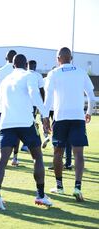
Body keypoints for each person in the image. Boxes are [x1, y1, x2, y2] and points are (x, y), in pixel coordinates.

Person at [0, 54, 52, 210]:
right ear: (26, 64)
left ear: (12, 65)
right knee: (37, 157)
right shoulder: (29, 75)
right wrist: (45, 115)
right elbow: (34, 94)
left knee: (2, 159)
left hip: (6, 124)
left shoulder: (5, 80)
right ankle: (40, 195)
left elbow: (0, 104)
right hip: (26, 123)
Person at [44, 47, 95, 201]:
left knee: (57, 152)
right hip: (78, 118)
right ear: (70, 58)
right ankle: (77, 187)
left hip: (60, 118)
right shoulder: (81, 72)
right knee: (78, 153)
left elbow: (48, 99)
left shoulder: (53, 73)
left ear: (58, 58)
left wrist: (46, 118)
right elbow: (92, 98)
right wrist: (89, 112)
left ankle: (59, 187)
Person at [0, 50, 20, 164]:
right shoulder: (21, 72)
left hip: (3, 108)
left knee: (3, 132)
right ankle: (15, 158)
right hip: (17, 108)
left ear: (5, 58)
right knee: (17, 133)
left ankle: (2, 158)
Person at [18, 60, 46, 155]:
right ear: (35, 66)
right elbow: (42, 90)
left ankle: (23, 145)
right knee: (31, 123)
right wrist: (43, 103)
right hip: (34, 104)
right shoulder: (38, 75)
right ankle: (27, 144)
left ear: (27, 65)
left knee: (24, 122)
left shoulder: (23, 74)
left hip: (23, 104)